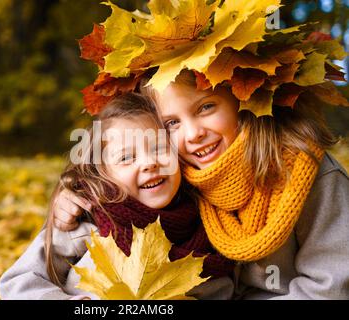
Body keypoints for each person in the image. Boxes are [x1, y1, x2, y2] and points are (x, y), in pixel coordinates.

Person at [54, 0, 349, 299]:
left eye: (206, 107)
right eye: (171, 123)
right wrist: (72, 196)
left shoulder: (308, 172)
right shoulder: (175, 174)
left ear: (242, 99)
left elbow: (332, 288)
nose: (194, 134)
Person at [0, 93, 235, 300]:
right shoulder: (88, 221)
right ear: (104, 173)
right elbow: (18, 282)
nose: (149, 163)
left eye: (159, 149)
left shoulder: (210, 227)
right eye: (126, 158)